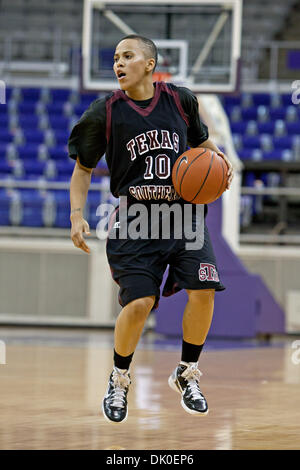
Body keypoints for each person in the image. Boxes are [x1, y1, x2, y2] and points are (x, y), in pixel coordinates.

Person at [68, 34, 233, 424]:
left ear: (148, 63)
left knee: (204, 290)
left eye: (127, 56)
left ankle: (187, 372)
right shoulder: (104, 112)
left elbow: (204, 147)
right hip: (136, 219)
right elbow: (83, 170)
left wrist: (220, 167)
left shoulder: (180, 100)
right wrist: (77, 214)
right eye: (115, 58)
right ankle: (119, 377)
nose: (118, 64)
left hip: (184, 215)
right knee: (139, 303)